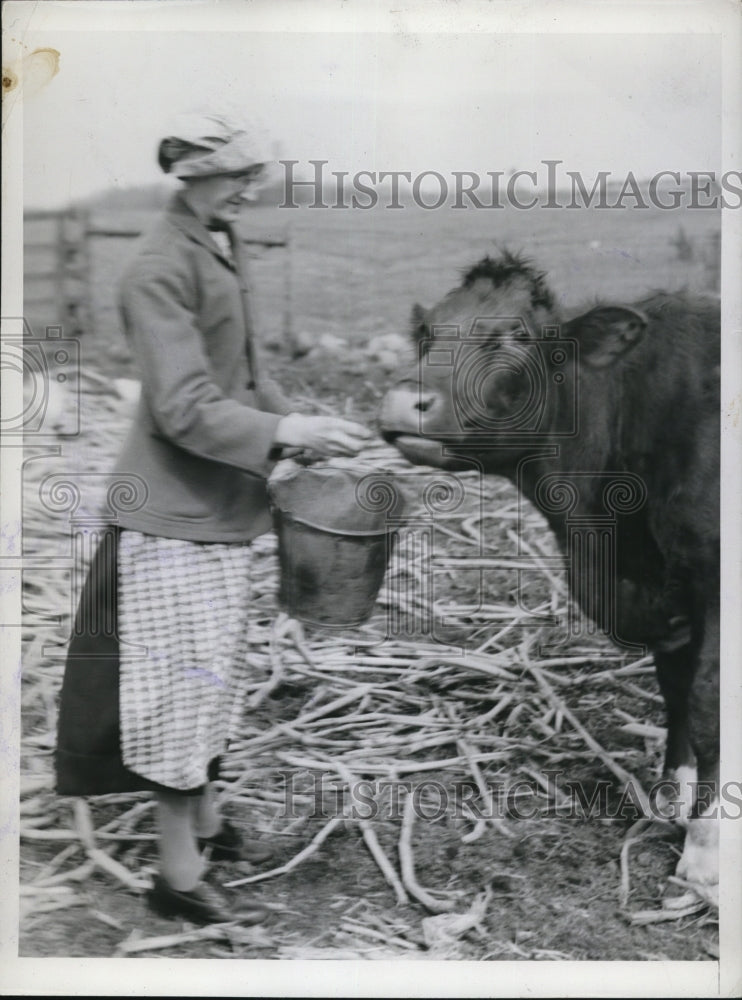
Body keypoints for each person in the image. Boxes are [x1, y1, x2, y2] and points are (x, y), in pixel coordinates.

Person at [55, 113, 373, 925]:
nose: (251, 187)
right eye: (238, 175)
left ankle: (208, 822)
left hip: (221, 511)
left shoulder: (214, 244)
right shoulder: (157, 268)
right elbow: (184, 408)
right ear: (191, 176)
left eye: (254, 173)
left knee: (211, 681)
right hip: (171, 516)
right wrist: (282, 435)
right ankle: (177, 877)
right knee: (175, 693)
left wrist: (297, 427)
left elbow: (244, 373)